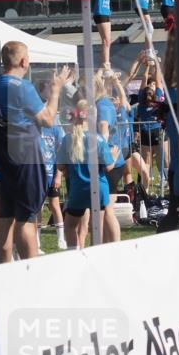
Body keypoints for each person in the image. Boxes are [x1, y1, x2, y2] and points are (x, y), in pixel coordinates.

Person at [0, 43, 70, 261]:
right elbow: (48, 119)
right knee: (26, 219)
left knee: (5, 218)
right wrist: (56, 90)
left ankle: (5, 267)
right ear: (24, 61)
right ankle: (29, 271)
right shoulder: (22, 86)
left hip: (4, 161)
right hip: (27, 159)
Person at [60, 100, 118, 248]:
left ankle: (73, 253)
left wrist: (69, 168)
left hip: (78, 188)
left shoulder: (68, 139)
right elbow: (108, 167)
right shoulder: (99, 139)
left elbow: (60, 166)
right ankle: (96, 256)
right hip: (99, 188)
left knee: (70, 226)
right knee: (96, 228)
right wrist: (114, 157)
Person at [37, 80, 66, 251]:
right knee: (38, 208)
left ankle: (61, 239)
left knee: (55, 205)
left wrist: (58, 175)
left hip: (52, 172)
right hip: (38, 174)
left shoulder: (55, 127)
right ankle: (37, 242)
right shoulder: (35, 126)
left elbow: (60, 151)